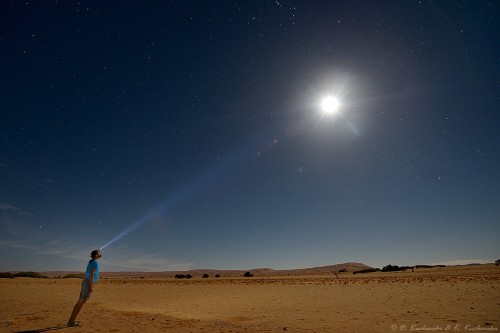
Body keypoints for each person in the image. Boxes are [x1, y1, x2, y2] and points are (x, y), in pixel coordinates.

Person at [67, 249, 102, 327]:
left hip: (85, 282)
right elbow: (92, 275)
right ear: (96, 255)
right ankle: (71, 322)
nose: (100, 253)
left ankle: (71, 320)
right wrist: (91, 286)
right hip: (88, 283)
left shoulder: (91, 262)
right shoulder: (95, 263)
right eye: (99, 253)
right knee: (80, 304)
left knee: (79, 303)